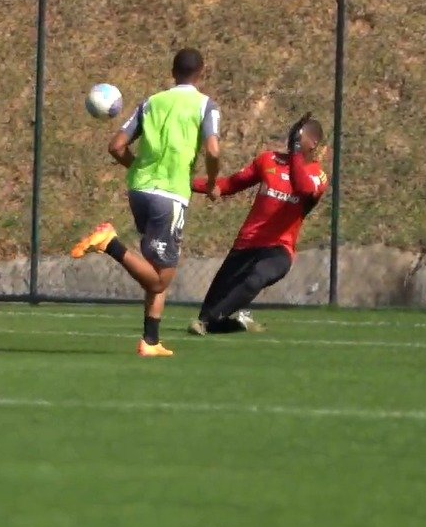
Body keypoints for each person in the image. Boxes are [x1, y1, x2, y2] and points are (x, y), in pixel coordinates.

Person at [70, 48, 221, 357]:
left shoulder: (151, 102)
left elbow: (116, 146)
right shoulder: (205, 105)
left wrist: (138, 168)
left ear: (172, 72)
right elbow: (213, 151)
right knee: (160, 280)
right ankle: (110, 243)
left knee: (155, 267)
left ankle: (150, 341)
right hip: (170, 195)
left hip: (139, 191)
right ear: (202, 72)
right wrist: (212, 183)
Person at [187, 113, 328, 336]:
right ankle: (236, 323)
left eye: (299, 137)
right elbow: (230, 184)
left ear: (313, 143)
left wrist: (295, 153)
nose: (293, 138)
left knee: (256, 278)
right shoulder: (268, 160)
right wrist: (186, 183)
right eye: (293, 135)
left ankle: (214, 320)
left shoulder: (317, 176)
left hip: (278, 249)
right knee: (208, 316)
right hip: (246, 244)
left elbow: (302, 188)